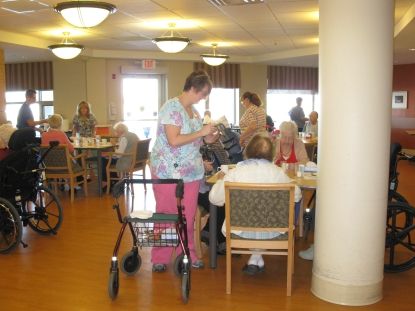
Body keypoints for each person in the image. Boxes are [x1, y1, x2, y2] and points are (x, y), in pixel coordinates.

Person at [150, 70, 219, 272]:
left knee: (187, 216)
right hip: (167, 172)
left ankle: (187, 253)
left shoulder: (193, 111)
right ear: (193, 88)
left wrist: (209, 137)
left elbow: (197, 138)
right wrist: (201, 132)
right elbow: (174, 140)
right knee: (167, 215)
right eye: (203, 93)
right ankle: (160, 258)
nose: (204, 97)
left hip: (191, 173)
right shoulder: (171, 108)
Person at [209, 134, 302, 275]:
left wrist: (221, 180)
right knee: (270, 215)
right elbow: (297, 195)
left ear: (248, 150)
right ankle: (256, 257)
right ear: (271, 153)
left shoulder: (236, 173)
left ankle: (255, 257)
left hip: (239, 230)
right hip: (274, 231)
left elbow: (214, 198)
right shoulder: (278, 174)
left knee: (249, 217)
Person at [101, 122, 139, 191]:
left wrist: (109, 152)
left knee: (103, 159)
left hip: (126, 162)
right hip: (134, 160)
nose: (115, 133)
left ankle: (106, 182)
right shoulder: (133, 135)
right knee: (107, 159)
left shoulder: (124, 138)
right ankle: (113, 180)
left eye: (116, 131)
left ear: (119, 131)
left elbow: (119, 154)